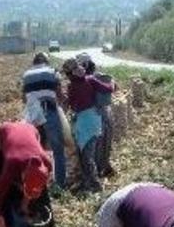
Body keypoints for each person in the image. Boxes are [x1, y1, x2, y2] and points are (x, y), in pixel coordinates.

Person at [0, 121, 53, 227]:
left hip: (30, 130)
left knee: (35, 198)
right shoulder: (11, 165)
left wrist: (25, 204)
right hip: (2, 135)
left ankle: (40, 224)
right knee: (5, 191)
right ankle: (10, 226)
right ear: (23, 176)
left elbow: (36, 186)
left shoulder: (47, 162)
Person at [62, 57, 115, 193]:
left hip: (84, 121)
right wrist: (112, 83)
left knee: (86, 155)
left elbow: (72, 105)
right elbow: (108, 89)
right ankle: (90, 182)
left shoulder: (71, 86)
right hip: (91, 119)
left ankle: (95, 185)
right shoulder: (90, 79)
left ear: (68, 74)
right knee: (87, 155)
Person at [21, 52, 68, 190]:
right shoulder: (52, 72)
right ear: (46, 61)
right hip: (49, 111)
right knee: (58, 149)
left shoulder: (26, 75)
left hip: (33, 115)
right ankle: (60, 185)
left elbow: (24, 98)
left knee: (36, 150)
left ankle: (39, 184)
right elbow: (59, 95)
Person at [78, 53, 116, 177]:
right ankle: (103, 167)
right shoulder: (97, 77)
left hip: (90, 117)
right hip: (104, 113)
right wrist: (113, 83)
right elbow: (111, 88)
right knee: (106, 142)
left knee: (93, 146)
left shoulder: (80, 81)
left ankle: (95, 171)